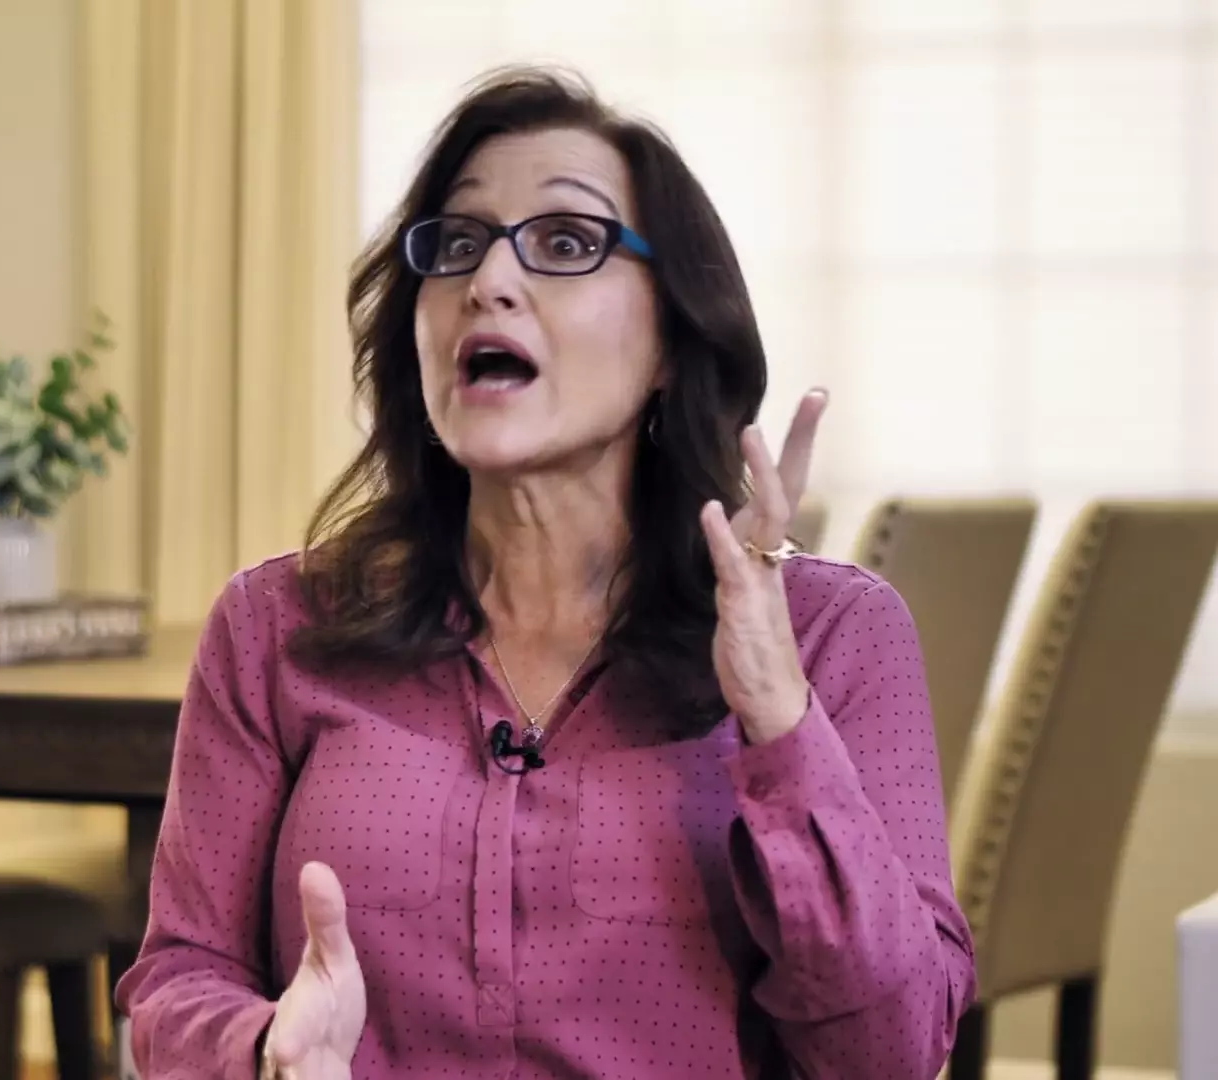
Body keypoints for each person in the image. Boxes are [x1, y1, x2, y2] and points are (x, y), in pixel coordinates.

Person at [115, 65, 976, 1080]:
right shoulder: (276, 625)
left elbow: (893, 1053)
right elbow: (178, 980)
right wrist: (266, 1049)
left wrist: (778, 717)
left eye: (567, 243)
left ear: (670, 336)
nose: (488, 279)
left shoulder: (834, 633)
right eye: (458, 243)